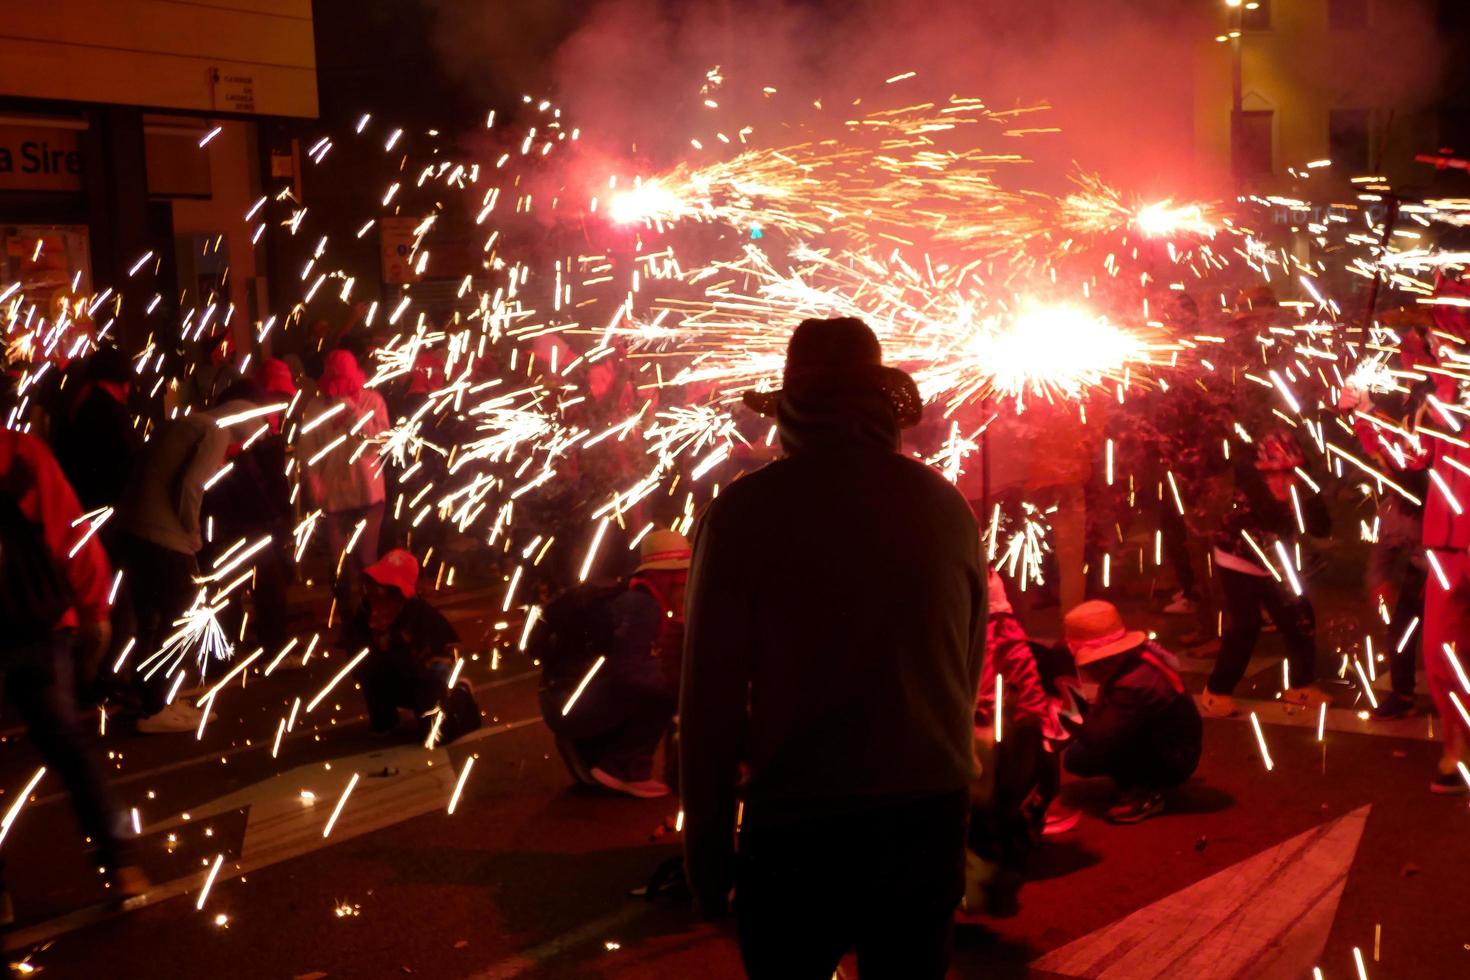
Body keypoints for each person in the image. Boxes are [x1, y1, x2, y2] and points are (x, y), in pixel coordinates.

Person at [682, 317, 986, 979]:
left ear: (790, 411)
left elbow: (710, 701)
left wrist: (705, 852)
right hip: (926, 818)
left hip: (799, 820)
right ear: (884, 409)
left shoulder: (742, 514)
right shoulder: (946, 507)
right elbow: (966, 670)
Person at [0, 424, 147, 921]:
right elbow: (70, 530)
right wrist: (94, 612)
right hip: (39, 626)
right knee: (71, 748)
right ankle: (121, 862)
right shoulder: (18, 451)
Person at [115, 396, 264, 732]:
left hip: (132, 532)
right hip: (164, 536)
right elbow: (191, 484)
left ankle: (149, 699)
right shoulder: (215, 432)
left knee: (153, 620)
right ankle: (155, 707)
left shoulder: (187, 422)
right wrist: (192, 530)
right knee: (183, 619)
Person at [537, 530, 688, 799]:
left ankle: (587, 749)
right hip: (570, 703)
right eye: (677, 572)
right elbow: (629, 674)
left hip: (560, 696)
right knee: (667, 690)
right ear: (661, 574)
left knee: (658, 680)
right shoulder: (642, 606)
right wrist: (681, 689)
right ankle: (624, 768)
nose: (684, 580)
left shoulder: (631, 594)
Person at [1200, 428, 1331, 717]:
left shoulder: (1300, 491)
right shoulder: (1248, 499)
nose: (1282, 481)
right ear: (1261, 474)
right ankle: (1216, 691)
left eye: (1289, 473)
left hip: (1276, 564)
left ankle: (1301, 685)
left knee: (1300, 620)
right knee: (1245, 625)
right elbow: (1261, 538)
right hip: (1239, 561)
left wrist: (1312, 501)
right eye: (1273, 474)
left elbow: (1321, 528)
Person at [966, 570, 1066, 918]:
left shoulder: (987, 625)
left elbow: (1011, 663)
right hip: (994, 726)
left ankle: (986, 879)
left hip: (983, 729)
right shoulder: (1001, 622)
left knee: (984, 811)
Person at [1061, 600, 1202, 823]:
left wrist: (1066, 709)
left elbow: (1100, 737)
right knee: (1078, 755)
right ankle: (1141, 777)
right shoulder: (1133, 658)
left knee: (1088, 751)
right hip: (1171, 742)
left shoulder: (1133, 684)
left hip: (1175, 756)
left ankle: (1148, 792)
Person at [203, 370, 296, 656]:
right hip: (255, 520)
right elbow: (274, 481)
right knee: (266, 587)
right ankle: (271, 644)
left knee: (229, 588)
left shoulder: (216, 429)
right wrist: (283, 518)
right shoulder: (260, 428)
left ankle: (224, 651)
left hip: (230, 521)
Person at [294, 349, 389, 619]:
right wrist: (313, 484)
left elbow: (377, 444)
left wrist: (353, 410)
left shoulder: (372, 401)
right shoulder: (316, 407)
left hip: (368, 493)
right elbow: (308, 452)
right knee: (339, 565)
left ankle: (374, 619)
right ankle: (349, 621)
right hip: (334, 498)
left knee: (366, 561)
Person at [346, 548, 472, 741]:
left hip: (426, 680)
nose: (378, 592)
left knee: (436, 733)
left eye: (386, 587)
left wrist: (395, 644)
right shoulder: (366, 612)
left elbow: (434, 671)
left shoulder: (422, 619)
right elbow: (354, 656)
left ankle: (460, 695)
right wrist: (374, 648)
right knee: (369, 671)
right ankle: (385, 720)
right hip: (393, 673)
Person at [52, 345, 141, 513]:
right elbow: (126, 458)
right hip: (104, 503)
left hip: (79, 499)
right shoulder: (107, 409)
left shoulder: (80, 398)